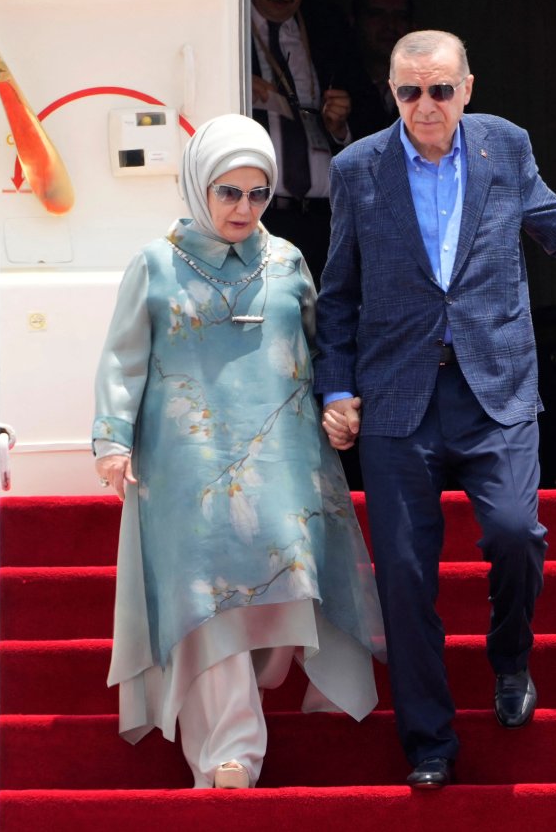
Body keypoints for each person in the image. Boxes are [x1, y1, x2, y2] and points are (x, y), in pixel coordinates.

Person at [314, 30, 556, 790]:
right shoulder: (358, 167)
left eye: (439, 90)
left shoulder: (505, 147)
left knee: (515, 534)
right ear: (390, 95)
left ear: (467, 87)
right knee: (402, 574)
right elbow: (339, 295)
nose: (425, 107)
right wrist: (336, 390)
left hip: (494, 387)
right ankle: (429, 743)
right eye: (408, 93)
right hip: (399, 400)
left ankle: (510, 657)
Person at [93, 113, 384, 790]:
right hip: (184, 463)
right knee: (208, 595)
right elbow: (122, 358)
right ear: (200, 188)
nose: (244, 209)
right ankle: (230, 750)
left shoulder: (285, 261)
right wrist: (112, 439)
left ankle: (259, 704)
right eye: (229, 193)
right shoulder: (156, 262)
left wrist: (340, 402)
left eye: (258, 194)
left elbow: (322, 345)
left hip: (282, 453)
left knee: (282, 581)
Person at [248, 0, 377, 282]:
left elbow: (371, 121)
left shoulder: (326, 26)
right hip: (257, 218)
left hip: (325, 220)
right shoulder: (227, 25)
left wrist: (341, 126)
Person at [348, 0, 415, 134]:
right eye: (377, 15)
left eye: (400, 16)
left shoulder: (434, 85)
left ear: (413, 26)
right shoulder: (334, 82)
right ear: (354, 22)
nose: (390, 25)